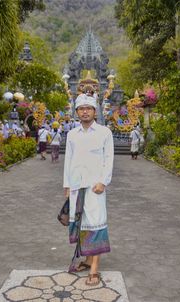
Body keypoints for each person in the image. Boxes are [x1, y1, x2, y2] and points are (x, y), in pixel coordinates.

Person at [63, 94, 114, 286]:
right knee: (80, 223)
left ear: (95, 111)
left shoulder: (104, 132)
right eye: (81, 108)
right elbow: (68, 160)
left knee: (96, 223)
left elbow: (108, 159)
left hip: (95, 187)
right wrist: (67, 185)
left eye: (89, 108)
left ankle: (94, 269)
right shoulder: (71, 134)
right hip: (76, 185)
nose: (85, 111)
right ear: (76, 112)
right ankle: (86, 259)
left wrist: (103, 181)